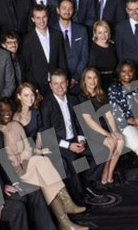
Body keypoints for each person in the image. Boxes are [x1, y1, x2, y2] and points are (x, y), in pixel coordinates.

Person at [0, 99, 88, 230]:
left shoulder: (15, 126)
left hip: (27, 166)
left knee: (42, 164)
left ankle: (66, 219)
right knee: (42, 168)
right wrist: (24, 155)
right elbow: (6, 161)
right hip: (14, 175)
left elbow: (28, 148)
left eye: (9, 110)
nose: (7, 113)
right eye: (3, 110)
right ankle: (66, 212)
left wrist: (34, 152)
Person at [41, 70, 100, 199]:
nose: (60, 87)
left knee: (101, 150)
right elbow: (47, 135)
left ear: (67, 83)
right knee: (73, 159)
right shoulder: (46, 105)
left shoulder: (73, 99)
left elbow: (79, 123)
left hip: (75, 139)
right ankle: (79, 194)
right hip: (58, 143)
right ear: (50, 85)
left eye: (62, 83)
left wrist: (81, 140)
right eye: (56, 84)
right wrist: (69, 146)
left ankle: (87, 182)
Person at [78, 67, 124, 187]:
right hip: (91, 131)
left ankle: (109, 174)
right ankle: (104, 176)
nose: (92, 81)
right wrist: (108, 134)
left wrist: (114, 131)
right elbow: (89, 122)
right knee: (111, 143)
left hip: (103, 129)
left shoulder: (101, 95)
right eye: (89, 78)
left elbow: (109, 115)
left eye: (95, 78)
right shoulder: (82, 96)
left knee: (120, 141)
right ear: (84, 80)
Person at [20, 5, 66, 93]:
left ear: (48, 17)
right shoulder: (27, 40)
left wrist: (63, 81)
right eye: (38, 18)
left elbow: (62, 61)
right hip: (38, 85)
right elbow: (27, 67)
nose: (42, 21)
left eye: (44, 17)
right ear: (33, 19)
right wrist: (34, 88)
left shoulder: (57, 35)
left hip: (57, 84)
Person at [87, 20, 118, 90]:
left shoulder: (112, 46)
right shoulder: (92, 48)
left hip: (113, 81)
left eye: (105, 32)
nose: (103, 35)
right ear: (95, 34)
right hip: (98, 83)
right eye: (100, 33)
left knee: (134, 87)